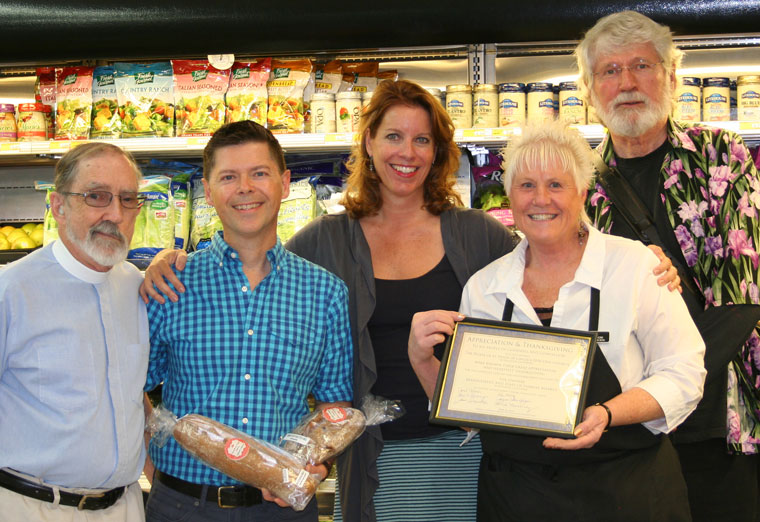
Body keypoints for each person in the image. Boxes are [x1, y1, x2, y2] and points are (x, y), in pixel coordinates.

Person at [141, 80, 679, 522]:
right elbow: (258, 264)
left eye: (423, 140)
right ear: (369, 144)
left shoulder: (478, 235)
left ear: (439, 151)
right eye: (393, 136)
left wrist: (642, 258)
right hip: (371, 459)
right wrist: (169, 261)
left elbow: (550, 255)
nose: (407, 152)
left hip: (470, 456)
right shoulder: (324, 241)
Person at [409, 120, 707, 521]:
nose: (540, 199)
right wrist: (424, 360)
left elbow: (684, 374)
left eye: (556, 185)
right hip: (517, 498)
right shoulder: (485, 287)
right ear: (511, 196)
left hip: (626, 490)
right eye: (526, 185)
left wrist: (607, 413)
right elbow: (471, 415)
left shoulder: (636, 266)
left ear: (582, 191)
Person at [576, 10, 760, 521]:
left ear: (671, 76)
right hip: (623, 432)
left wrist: (665, 386)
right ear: (590, 90)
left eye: (642, 65)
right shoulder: (579, 180)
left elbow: (741, 297)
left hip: (715, 420)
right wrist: (627, 405)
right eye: (610, 71)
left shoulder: (719, 154)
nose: (627, 82)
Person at [142, 120, 353, 522]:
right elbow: (132, 388)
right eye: (228, 177)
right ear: (208, 190)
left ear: (285, 182)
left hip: (282, 507)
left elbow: (333, 405)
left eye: (259, 173)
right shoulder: (171, 284)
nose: (245, 188)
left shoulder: (325, 292)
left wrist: (317, 465)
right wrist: (153, 470)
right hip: (181, 504)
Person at [0, 143, 149, 521]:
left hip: (125, 506)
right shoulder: (12, 291)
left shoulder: (136, 286)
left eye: (127, 199)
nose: (115, 214)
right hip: (33, 508)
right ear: (58, 205)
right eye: (96, 196)